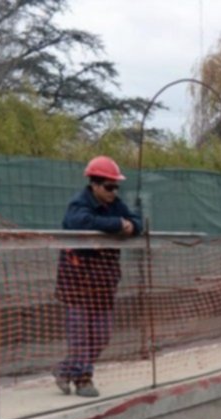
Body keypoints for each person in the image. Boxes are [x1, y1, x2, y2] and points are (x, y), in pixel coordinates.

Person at [54, 156, 143, 398]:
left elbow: (136, 221)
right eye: (108, 187)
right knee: (80, 334)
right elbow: (81, 222)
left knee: (101, 335)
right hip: (78, 282)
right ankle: (84, 379)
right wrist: (117, 224)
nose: (113, 192)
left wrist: (131, 226)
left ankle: (64, 370)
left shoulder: (116, 205)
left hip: (104, 282)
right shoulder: (78, 204)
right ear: (94, 185)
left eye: (116, 187)